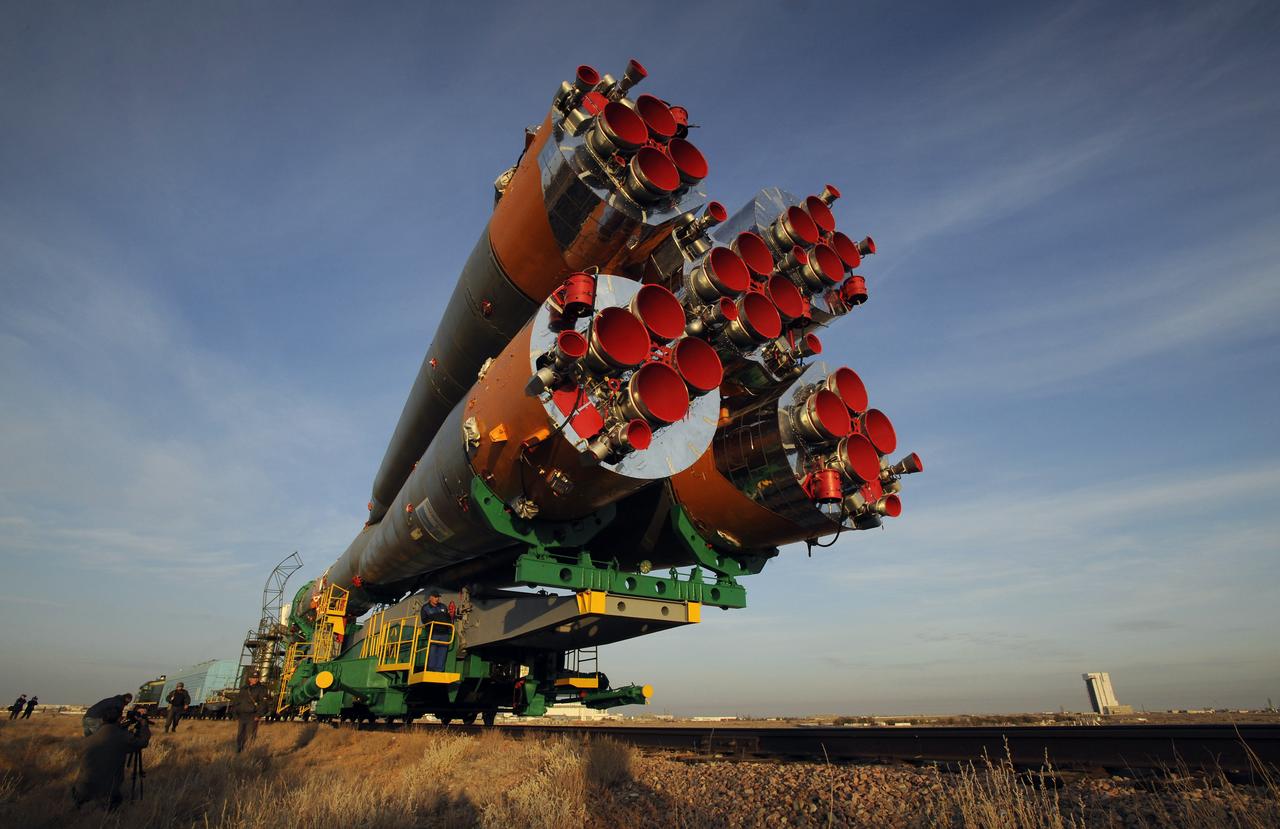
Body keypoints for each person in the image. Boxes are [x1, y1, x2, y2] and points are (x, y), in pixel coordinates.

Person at [71, 706, 149, 812]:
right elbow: (142, 742)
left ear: (102, 720)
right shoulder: (122, 737)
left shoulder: (90, 738)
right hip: (107, 792)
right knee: (115, 801)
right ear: (119, 719)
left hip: (82, 789)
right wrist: (144, 724)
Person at [232, 672, 270, 753]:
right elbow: (238, 701)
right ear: (249, 679)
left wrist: (259, 715)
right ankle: (239, 751)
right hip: (242, 715)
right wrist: (235, 713)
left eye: (256, 678)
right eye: (253, 678)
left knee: (250, 735)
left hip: (253, 715)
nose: (255, 679)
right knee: (240, 735)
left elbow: (264, 703)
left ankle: (249, 752)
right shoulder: (244, 688)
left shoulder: (262, 689)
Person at [419, 591, 451, 671]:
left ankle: (439, 670)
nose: (437, 599)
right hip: (433, 634)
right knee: (432, 652)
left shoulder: (443, 606)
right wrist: (437, 619)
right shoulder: (425, 608)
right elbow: (425, 620)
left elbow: (448, 618)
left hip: (444, 634)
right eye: (435, 597)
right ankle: (431, 669)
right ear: (430, 598)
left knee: (443, 653)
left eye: (438, 597)